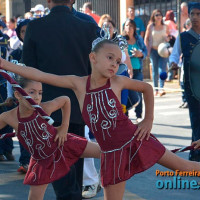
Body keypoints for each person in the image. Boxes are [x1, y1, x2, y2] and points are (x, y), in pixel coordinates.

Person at [1, 38, 200, 200]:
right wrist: (4, 64)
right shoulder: (79, 84)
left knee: (187, 168)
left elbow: (147, 88)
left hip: (136, 141)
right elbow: (40, 74)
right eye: (110, 58)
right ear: (93, 57)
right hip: (111, 154)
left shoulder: (118, 82)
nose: (114, 64)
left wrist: (148, 120)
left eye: (118, 61)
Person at [22, 0, 97, 199]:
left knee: (63, 181)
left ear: (48, 0)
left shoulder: (35, 27)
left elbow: (28, 71)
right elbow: (96, 73)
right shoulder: (88, 27)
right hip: (78, 109)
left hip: (46, 110)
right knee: (73, 176)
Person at [0, 74, 100, 200]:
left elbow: (65, 100)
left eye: (40, 93)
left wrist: (64, 127)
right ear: (18, 95)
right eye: (32, 92)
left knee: (107, 152)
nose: (37, 97)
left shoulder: (44, 108)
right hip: (42, 160)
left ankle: (102, 180)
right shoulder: (8, 117)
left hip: (62, 144)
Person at [169, 2, 200, 162]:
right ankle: (196, 160)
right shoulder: (183, 37)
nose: (194, 17)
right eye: (192, 14)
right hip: (192, 87)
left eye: (198, 14)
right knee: (196, 122)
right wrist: (173, 64)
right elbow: (174, 56)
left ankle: (195, 157)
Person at [8, 19, 31, 173]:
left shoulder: (42, 51)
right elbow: (10, 77)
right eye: (23, 31)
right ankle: (25, 161)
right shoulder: (16, 54)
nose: (26, 34)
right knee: (22, 129)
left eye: (29, 31)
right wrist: (11, 95)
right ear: (19, 34)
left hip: (38, 98)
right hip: (20, 98)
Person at [123, 19, 147, 122]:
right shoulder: (121, 39)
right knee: (126, 93)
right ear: (124, 28)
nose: (129, 28)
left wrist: (140, 54)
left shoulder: (139, 39)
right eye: (127, 25)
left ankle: (139, 115)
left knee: (139, 93)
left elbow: (145, 51)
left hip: (137, 70)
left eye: (131, 26)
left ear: (134, 28)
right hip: (125, 71)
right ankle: (126, 115)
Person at [144, 9, 169, 97]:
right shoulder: (150, 26)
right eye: (156, 15)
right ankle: (156, 89)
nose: (158, 17)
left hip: (163, 51)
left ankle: (161, 88)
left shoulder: (165, 26)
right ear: (153, 17)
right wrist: (146, 50)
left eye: (160, 15)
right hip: (154, 51)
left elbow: (168, 37)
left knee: (162, 69)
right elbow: (146, 38)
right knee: (154, 70)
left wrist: (167, 39)